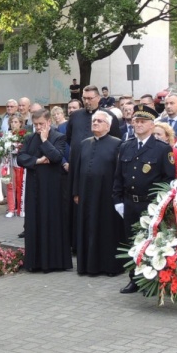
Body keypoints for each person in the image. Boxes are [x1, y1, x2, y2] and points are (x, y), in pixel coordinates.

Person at [113, 105, 175, 291]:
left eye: (142, 121)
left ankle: (152, 281)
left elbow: (168, 179)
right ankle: (134, 279)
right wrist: (117, 200)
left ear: (151, 124)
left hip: (151, 204)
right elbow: (118, 175)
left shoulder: (162, 149)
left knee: (152, 242)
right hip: (130, 202)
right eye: (136, 121)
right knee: (132, 242)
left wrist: (161, 203)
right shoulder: (126, 146)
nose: (138, 124)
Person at [70, 110, 124, 276]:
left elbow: (119, 172)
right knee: (87, 228)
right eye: (94, 121)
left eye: (99, 121)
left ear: (108, 126)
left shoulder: (117, 144)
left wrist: (118, 194)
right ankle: (87, 266)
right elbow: (77, 169)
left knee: (106, 229)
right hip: (86, 194)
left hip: (106, 194)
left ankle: (109, 266)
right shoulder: (85, 143)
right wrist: (76, 192)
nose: (95, 123)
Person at [17, 109, 72, 272]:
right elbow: (21, 158)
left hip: (52, 187)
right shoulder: (29, 138)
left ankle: (54, 262)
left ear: (49, 122)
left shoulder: (59, 137)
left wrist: (44, 140)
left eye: (42, 124)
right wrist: (38, 160)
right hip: (34, 186)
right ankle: (35, 262)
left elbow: (56, 157)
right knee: (34, 220)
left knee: (52, 221)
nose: (39, 127)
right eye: (36, 125)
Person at [4, 114, 26, 218]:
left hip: (20, 164)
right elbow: (2, 149)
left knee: (20, 186)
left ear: (21, 123)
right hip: (9, 164)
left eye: (16, 122)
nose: (13, 124)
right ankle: (11, 209)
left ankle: (21, 208)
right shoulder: (7, 135)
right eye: (12, 122)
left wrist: (18, 148)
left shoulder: (24, 135)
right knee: (10, 186)